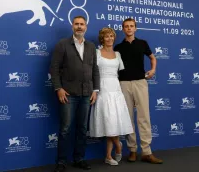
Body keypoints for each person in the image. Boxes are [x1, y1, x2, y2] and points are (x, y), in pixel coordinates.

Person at [50, 16, 100, 172]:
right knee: (65, 129)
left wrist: (95, 89)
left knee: (82, 128)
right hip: (68, 94)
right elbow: (54, 68)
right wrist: (59, 88)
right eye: (76, 24)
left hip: (87, 94)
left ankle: (79, 159)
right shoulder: (62, 44)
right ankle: (61, 162)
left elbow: (95, 70)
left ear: (86, 27)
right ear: (72, 26)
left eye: (82, 24)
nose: (79, 27)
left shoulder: (91, 46)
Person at [114, 18, 163, 164]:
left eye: (131, 26)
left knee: (144, 117)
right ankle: (132, 150)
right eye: (126, 26)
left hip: (140, 82)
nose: (129, 28)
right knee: (128, 118)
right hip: (123, 84)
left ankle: (147, 152)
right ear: (123, 29)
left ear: (135, 28)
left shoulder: (143, 43)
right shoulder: (118, 47)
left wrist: (153, 70)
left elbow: (153, 58)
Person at [89, 27, 133, 166]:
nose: (109, 38)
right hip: (102, 89)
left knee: (113, 121)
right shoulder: (96, 53)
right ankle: (118, 146)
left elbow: (121, 74)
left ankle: (108, 156)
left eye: (111, 36)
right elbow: (92, 73)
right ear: (102, 38)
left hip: (116, 89)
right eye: (106, 36)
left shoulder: (118, 54)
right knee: (108, 121)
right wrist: (94, 90)